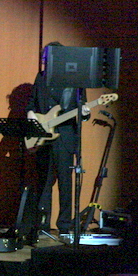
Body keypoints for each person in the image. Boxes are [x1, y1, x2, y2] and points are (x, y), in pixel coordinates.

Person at [24, 41, 89, 242]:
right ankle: (42, 224)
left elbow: (83, 108)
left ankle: (64, 226)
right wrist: (31, 113)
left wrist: (85, 112)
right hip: (44, 135)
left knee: (65, 182)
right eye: (44, 58)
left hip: (65, 136)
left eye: (47, 58)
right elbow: (31, 103)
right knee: (43, 181)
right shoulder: (41, 77)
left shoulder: (75, 80)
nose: (44, 62)